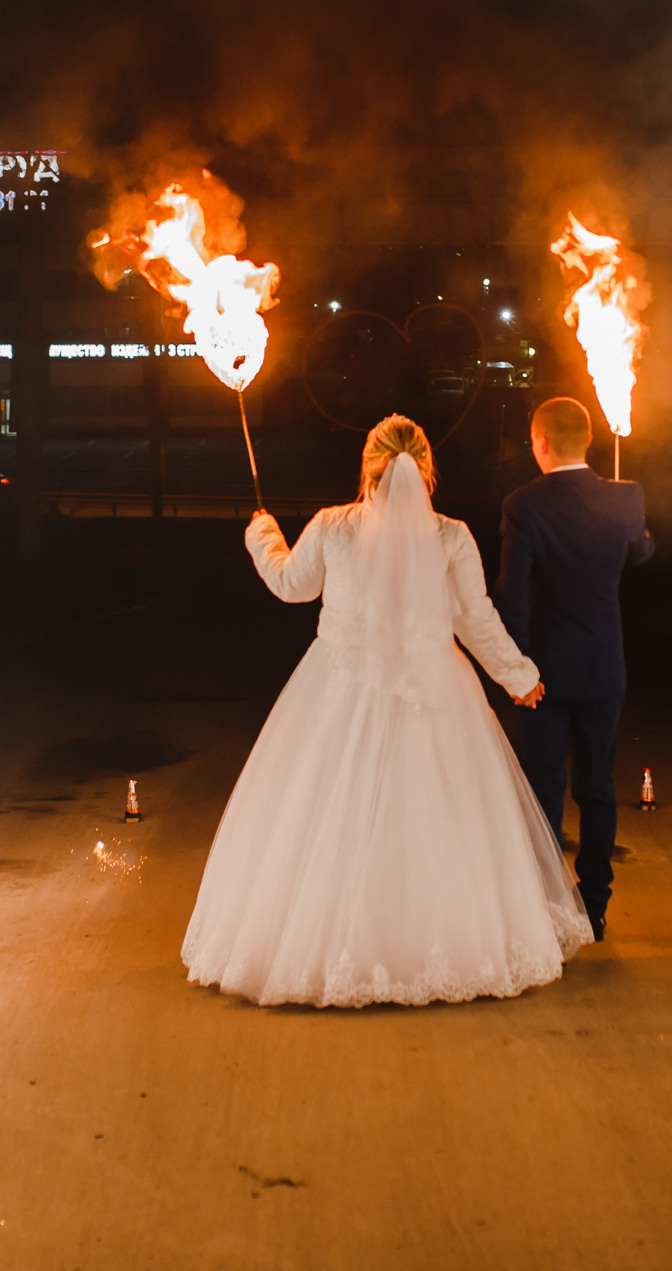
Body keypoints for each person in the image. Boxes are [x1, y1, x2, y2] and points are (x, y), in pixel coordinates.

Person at [182, 414, 593, 1007]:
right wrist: (518, 677)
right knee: (430, 812)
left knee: (330, 812)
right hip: (433, 689)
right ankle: (428, 937)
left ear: (369, 465)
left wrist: (263, 536)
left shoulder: (332, 526)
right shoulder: (450, 536)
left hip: (340, 684)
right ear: (426, 467)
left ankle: (332, 941)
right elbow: (474, 619)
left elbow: (291, 586)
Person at [494, 396, 655, 942]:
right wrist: (637, 527)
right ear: (588, 440)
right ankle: (594, 905)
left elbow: (511, 596)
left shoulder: (523, 505)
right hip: (603, 667)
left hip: (542, 673)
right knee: (598, 789)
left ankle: (545, 905)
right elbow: (641, 555)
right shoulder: (625, 496)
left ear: (539, 442)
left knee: (542, 787)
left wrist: (515, 669)